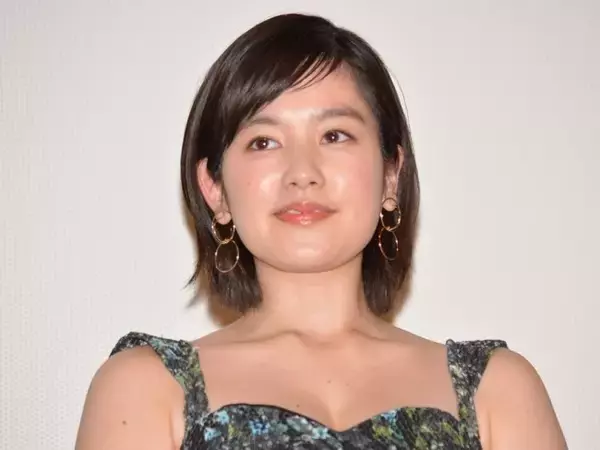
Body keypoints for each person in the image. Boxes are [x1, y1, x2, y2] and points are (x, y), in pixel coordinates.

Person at [75, 13, 567, 450]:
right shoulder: (145, 389)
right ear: (215, 189)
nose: (302, 172)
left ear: (390, 174)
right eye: (264, 141)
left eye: (335, 135)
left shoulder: (496, 391)